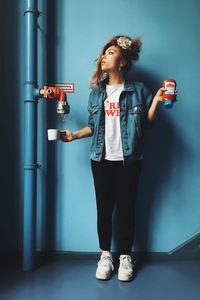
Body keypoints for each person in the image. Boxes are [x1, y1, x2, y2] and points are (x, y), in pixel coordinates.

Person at [60, 35, 165, 281]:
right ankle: (106, 255)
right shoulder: (96, 94)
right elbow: (92, 126)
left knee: (127, 208)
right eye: (104, 53)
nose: (104, 56)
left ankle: (125, 257)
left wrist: (157, 101)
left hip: (130, 160)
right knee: (104, 209)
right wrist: (74, 135)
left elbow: (147, 124)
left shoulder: (139, 90)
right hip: (101, 159)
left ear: (123, 62)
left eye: (111, 52)